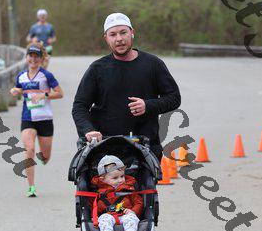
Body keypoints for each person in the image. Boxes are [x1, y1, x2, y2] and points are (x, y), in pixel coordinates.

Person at [72, 12, 181, 161]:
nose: (119, 39)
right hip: (105, 148)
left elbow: (174, 98)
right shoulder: (97, 69)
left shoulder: (153, 64)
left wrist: (148, 105)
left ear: (132, 32)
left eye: (123, 32)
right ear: (106, 38)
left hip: (144, 147)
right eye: (113, 34)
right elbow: (80, 106)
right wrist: (88, 130)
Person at [10, 44, 63, 197]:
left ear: (41, 58)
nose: (33, 59)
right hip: (27, 118)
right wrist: (15, 90)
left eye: (36, 56)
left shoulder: (46, 75)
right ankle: (31, 187)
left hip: (45, 119)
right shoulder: (21, 75)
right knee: (29, 150)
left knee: (45, 156)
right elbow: (18, 88)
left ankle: (45, 157)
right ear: (26, 57)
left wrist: (43, 95)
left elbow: (60, 93)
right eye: (31, 56)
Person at [91, 155, 143, 231]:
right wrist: (93, 216)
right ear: (103, 179)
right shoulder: (100, 192)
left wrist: (133, 211)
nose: (120, 180)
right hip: (108, 215)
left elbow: (138, 202)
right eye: (115, 178)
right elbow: (95, 207)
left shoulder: (128, 188)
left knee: (131, 218)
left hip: (125, 215)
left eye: (122, 176)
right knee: (103, 219)